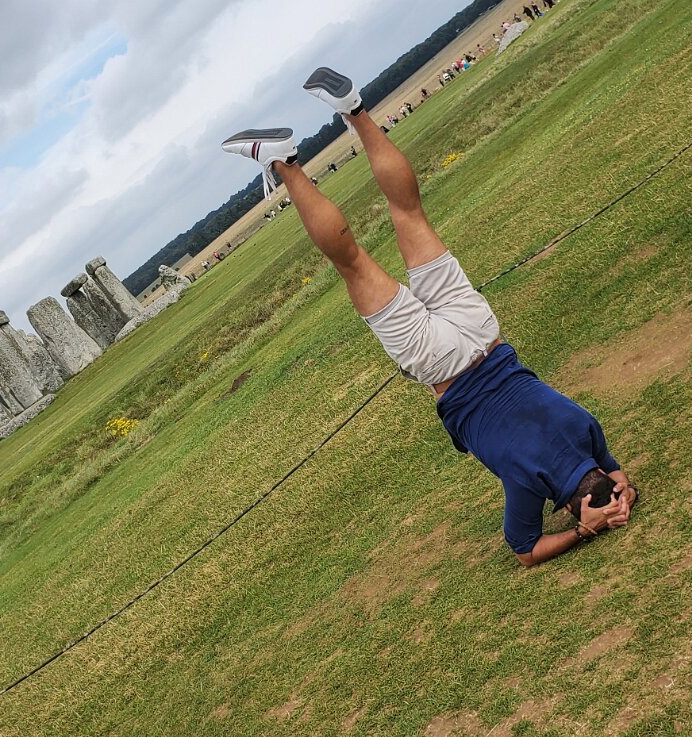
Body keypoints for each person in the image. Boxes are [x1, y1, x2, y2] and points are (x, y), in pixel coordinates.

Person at [222, 67, 637, 566]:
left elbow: (614, 474)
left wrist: (624, 491)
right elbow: (527, 551)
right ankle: (284, 163)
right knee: (352, 263)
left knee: (410, 211)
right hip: (443, 365)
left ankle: (354, 109)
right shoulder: (530, 482)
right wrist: (584, 531)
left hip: (482, 332)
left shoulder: (587, 429)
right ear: (571, 506)